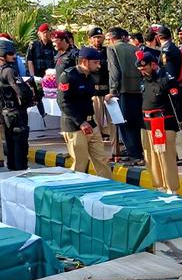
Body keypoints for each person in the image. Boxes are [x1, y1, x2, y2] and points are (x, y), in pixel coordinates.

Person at [58, 47, 113, 179]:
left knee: (102, 160)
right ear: (85, 61)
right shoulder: (68, 76)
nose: (98, 66)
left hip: (91, 123)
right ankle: (76, 193)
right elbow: (63, 103)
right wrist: (81, 122)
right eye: (95, 62)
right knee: (80, 163)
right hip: (75, 126)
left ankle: (109, 188)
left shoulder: (90, 76)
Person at [137, 51, 182, 193]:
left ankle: (171, 189)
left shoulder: (167, 79)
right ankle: (159, 187)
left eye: (144, 68)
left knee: (166, 158)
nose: (142, 71)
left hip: (163, 123)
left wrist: (178, 123)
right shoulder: (144, 79)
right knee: (152, 158)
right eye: (140, 69)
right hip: (147, 124)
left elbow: (178, 104)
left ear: (153, 64)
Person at [106, 27, 145, 165]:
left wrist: (112, 90)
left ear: (111, 37)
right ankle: (140, 153)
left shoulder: (112, 49)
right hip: (137, 90)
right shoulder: (135, 49)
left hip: (122, 90)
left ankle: (134, 155)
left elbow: (114, 71)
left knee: (124, 124)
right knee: (137, 123)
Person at [0, 40, 32, 170]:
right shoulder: (9, 71)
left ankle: (13, 169)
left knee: (10, 143)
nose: (14, 56)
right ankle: (20, 172)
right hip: (16, 112)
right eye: (10, 53)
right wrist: (30, 96)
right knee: (20, 145)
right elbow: (21, 91)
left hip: (6, 112)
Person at [26, 24, 55, 117]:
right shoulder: (34, 45)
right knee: (37, 96)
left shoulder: (53, 46)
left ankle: (52, 114)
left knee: (51, 96)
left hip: (51, 77)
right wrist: (32, 76)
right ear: (39, 34)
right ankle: (41, 114)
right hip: (37, 76)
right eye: (44, 32)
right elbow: (30, 60)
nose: (46, 34)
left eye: (47, 32)